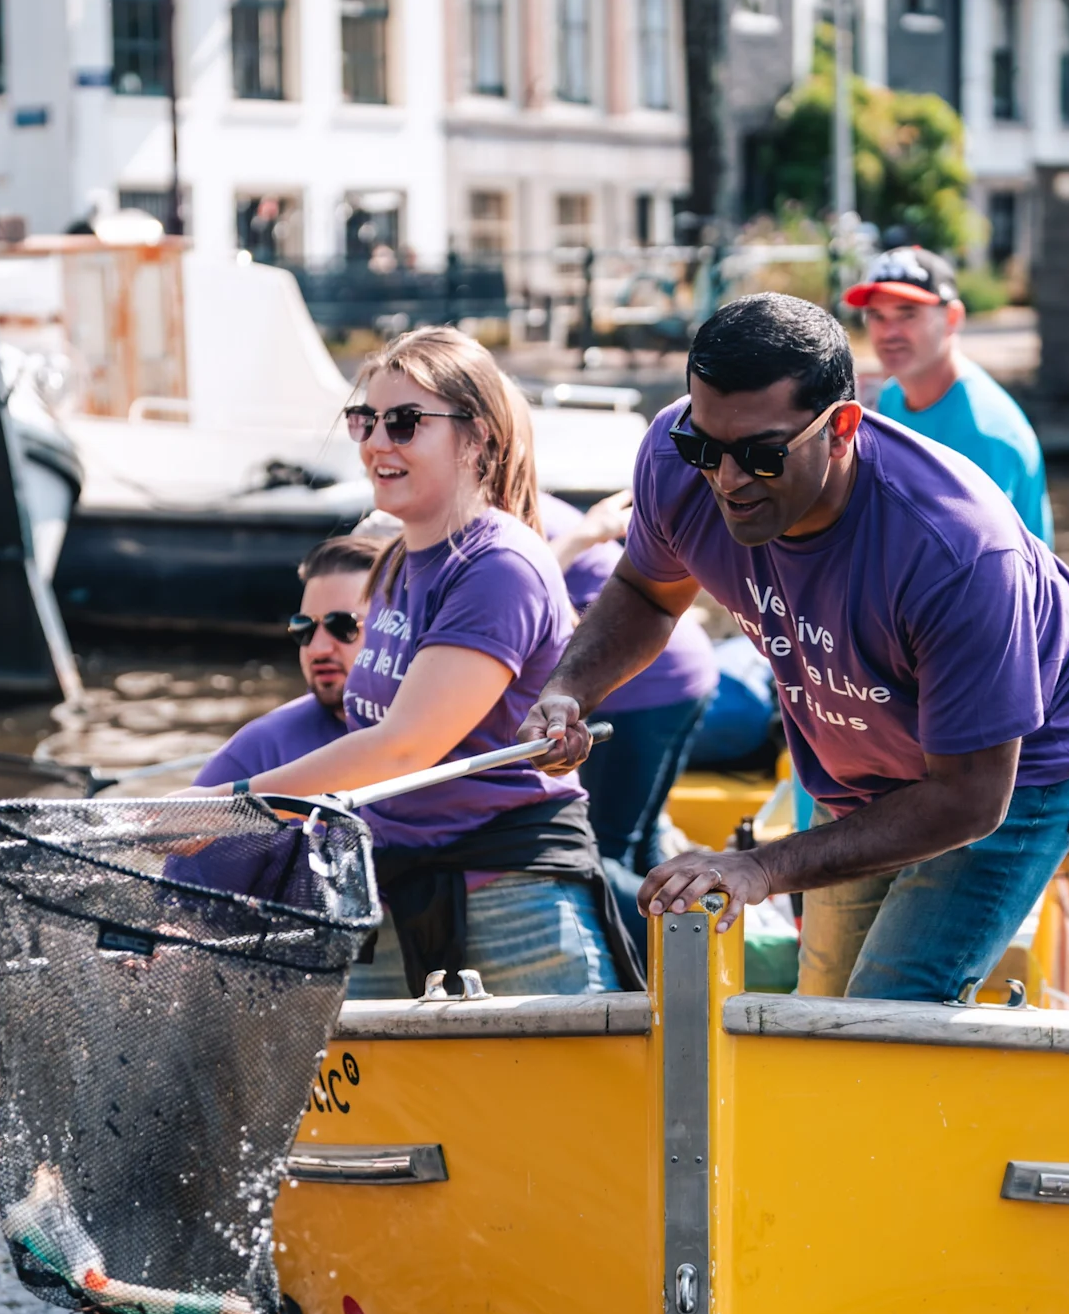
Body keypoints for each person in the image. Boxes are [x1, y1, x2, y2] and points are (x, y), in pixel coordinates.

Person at [519, 292, 1069, 1004]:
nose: (726, 478)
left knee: (887, 1002)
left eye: (761, 455)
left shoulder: (956, 549)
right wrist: (568, 688)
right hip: (868, 755)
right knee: (825, 1004)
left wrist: (760, 867)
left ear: (841, 428)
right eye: (704, 446)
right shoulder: (673, 458)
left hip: (1026, 758)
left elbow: (969, 797)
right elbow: (650, 592)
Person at [190, 326, 634, 998]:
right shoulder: (400, 558)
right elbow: (354, 720)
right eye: (364, 420)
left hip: (511, 903)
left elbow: (403, 747)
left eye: (403, 422)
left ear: (477, 437)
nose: (375, 443)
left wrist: (232, 808)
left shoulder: (498, 566)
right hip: (394, 886)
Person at [541, 490, 718, 878]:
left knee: (606, 847)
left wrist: (581, 537)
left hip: (645, 679)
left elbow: (522, 596)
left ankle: (656, 937)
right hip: (679, 666)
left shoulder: (503, 519)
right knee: (639, 836)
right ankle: (675, 936)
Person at [845, 246, 1053, 545]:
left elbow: (983, 563)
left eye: (907, 314)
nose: (889, 332)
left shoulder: (985, 432)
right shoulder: (892, 396)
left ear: (953, 318)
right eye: (876, 315)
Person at [195, 536, 374, 786]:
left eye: (343, 626)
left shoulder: (441, 740)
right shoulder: (258, 751)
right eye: (305, 628)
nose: (317, 648)